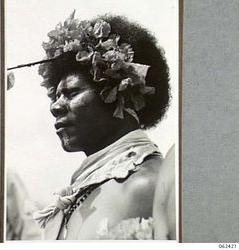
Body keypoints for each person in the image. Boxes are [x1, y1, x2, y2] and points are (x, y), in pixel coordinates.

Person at [22, 11, 171, 240]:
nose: (55, 107)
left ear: (120, 93)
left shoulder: (145, 185)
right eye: (56, 96)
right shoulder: (87, 187)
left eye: (72, 93)